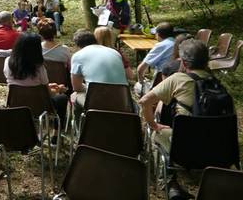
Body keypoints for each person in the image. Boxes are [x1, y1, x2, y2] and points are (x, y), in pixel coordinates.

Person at [139, 39, 213, 200]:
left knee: (156, 134)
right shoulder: (216, 83)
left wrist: (153, 124)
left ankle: (168, 183)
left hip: (185, 147)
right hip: (217, 148)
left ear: (184, 63)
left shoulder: (179, 78)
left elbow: (144, 101)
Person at [3, 33, 68, 142]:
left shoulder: (8, 61)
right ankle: (56, 135)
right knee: (62, 98)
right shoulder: (39, 67)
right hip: (40, 105)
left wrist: (48, 86)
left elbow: (19, 83)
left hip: (16, 103)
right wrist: (58, 89)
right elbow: (48, 93)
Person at [70, 29, 128, 121]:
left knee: (75, 96)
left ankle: (80, 132)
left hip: (96, 103)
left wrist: (86, 87)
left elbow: (76, 87)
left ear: (77, 45)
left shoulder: (78, 56)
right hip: (122, 101)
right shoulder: (115, 53)